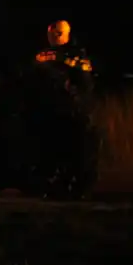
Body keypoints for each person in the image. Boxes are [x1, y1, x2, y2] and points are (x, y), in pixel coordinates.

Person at [31, 19, 98, 198]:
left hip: (70, 110)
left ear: (67, 34)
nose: (55, 36)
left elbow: (85, 83)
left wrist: (76, 101)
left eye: (59, 33)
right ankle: (53, 186)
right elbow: (33, 81)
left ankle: (74, 188)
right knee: (50, 151)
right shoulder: (42, 55)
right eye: (52, 33)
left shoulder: (76, 55)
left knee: (74, 151)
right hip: (48, 110)